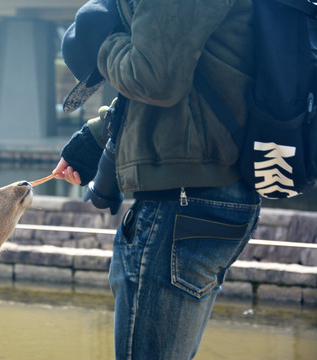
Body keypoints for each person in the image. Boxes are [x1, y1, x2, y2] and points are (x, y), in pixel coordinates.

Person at [52, 0, 261, 359]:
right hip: (204, 191)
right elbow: (197, 76)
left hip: (181, 202)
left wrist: (103, 42)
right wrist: (99, 136)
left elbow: (155, 77)